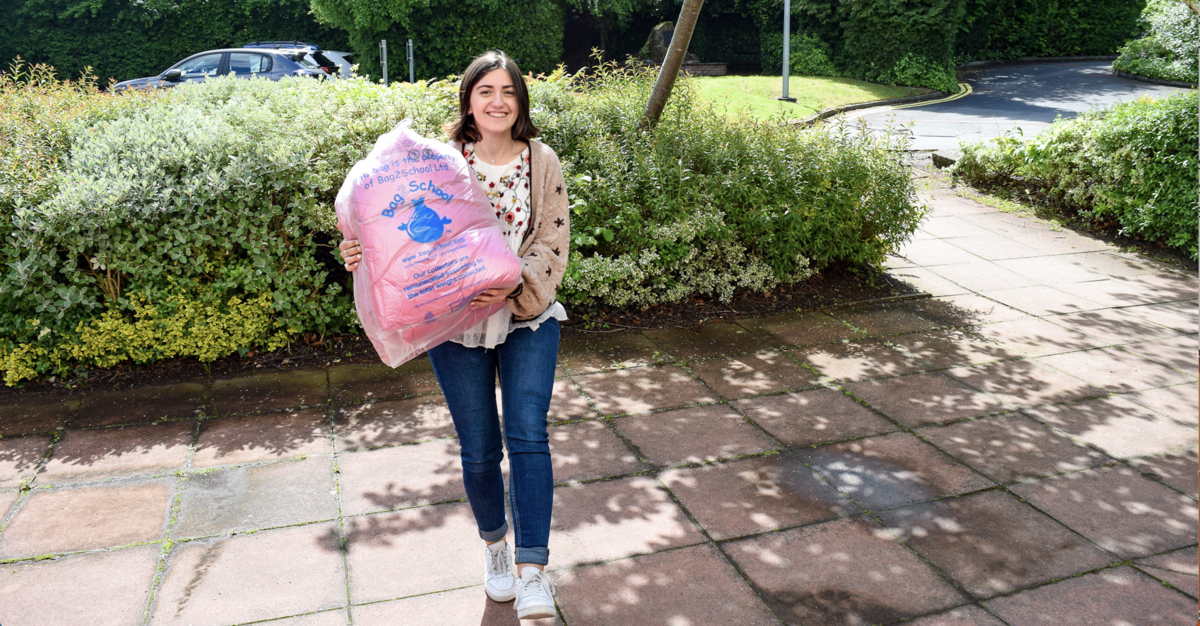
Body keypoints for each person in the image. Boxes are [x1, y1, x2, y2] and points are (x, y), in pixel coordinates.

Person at [339, 50, 569, 621]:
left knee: (528, 437)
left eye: (508, 91)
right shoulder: (441, 161)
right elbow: (403, 235)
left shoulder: (541, 161)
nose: (497, 101)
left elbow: (553, 242)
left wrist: (513, 283)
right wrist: (360, 253)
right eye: (485, 90)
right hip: (455, 326)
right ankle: (496, 550)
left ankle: (532, 570)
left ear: (521, 101)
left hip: (527, 319)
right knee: (478, 449)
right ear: (468, 99)